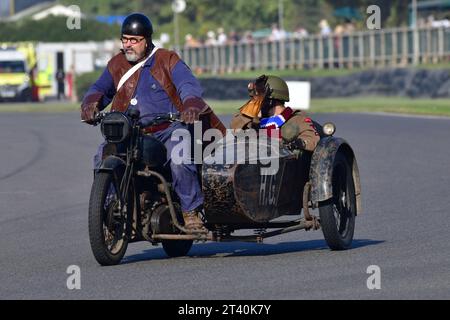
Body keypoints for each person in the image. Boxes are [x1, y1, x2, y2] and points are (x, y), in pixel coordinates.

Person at [80, 13, 225, 232]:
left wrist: (191, 105)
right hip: (131, 133)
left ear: (146, 40)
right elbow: (99, 88)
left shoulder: (167, 59)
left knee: (180, 157)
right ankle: (110, 207)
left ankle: (190, 213)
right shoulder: (117, 64)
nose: (128, 45)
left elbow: (188, 85)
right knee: (102, 154)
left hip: (169, 129)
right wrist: (91, 104)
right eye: (125, 39)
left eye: (134, 40)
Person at [230, 75, 320, 152]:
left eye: (259, 99)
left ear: (271, 100)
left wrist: (295, 144)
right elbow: (235, 130)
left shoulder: (296, 119)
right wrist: (249, 114)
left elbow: (312, 140)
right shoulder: (256, 121)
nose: (255, 103)